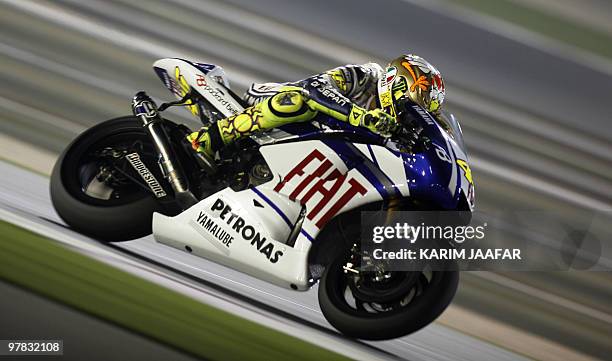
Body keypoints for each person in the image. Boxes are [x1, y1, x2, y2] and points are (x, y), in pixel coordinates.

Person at [187, 54, 445, 158]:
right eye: (417, 99)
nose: (414, 110)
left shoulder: (395, 126)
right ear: (398, 84)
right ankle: (212, 137)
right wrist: (362, 117)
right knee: (298, 101)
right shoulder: (365, 76)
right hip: (274, 102)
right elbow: (315, 88)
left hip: (312, 145)